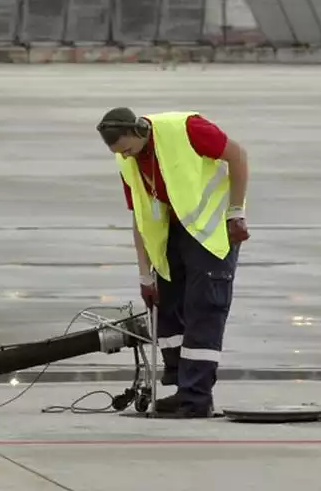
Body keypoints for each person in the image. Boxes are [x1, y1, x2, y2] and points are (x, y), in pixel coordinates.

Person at [95, 107, 250, 418]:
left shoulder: (187, 129)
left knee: (203, 311)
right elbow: (139, 216)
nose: (125, 157)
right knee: (169, 310)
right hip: (170, 236)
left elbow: (238, 156)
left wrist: (236, 212)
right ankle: (182, 388)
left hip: (211, 231)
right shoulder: (128, 160)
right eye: (119, 153)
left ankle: (197, 398)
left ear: (139, 131)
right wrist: (144, 276)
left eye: (127, 149)